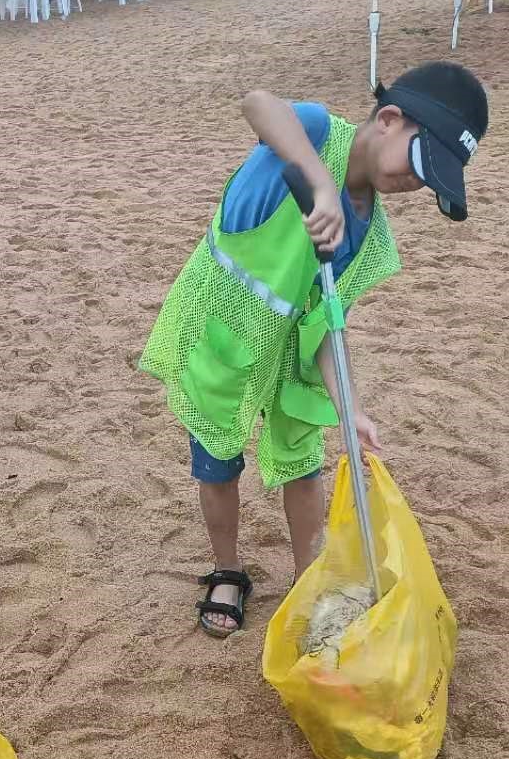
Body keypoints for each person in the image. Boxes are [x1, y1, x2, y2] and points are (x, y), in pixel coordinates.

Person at [138, 62, 489, 637]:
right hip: (225, 338)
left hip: (293, 360)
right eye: (419, 165)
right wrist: (317, 180)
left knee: (304, 470)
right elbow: (258, 101)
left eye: (430, 181)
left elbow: (330, 324)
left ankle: (309, 586)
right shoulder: (315, 133)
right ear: (389, 119)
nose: (415, 185)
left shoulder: (368, 231)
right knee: (218, 463)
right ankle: (227, 569)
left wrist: (350, 403)